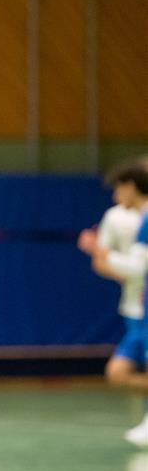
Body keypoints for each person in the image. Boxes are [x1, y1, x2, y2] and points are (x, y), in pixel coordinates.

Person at [83, 159, 148, 446]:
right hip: (137, 308)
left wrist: (101, 251)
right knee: (119, 373)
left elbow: (138, 268)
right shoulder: (123, 218)